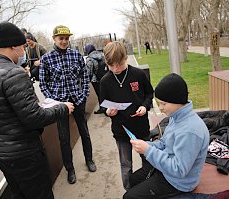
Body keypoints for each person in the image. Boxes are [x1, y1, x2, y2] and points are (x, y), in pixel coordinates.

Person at [0, 21, 74, 199]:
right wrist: (62, 108)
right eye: (23, 47)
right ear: (13, 46)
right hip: (23, 153)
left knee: (18, 193)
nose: (24, 52)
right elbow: (34, 118)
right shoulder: (13, 73)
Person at [123, 73, 210, 199]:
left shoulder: (190, 131)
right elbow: (164, 142)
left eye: (163, 104)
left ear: (177, 101)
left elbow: (179, 170)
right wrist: (148, 144)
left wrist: (148, 150)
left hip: (179, 182)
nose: (160, 108)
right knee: (132, 179)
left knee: (129, 197)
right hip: (167, 170)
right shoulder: (176, 117)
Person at [39, 25, 96, 184]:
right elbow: (43, 84)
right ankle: (70, 169)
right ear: (54, 39)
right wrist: (56, 103)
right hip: (60, 105)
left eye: (66, 38)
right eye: (61, 38)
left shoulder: (76, 55)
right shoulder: (47, 59)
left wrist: (83, 95)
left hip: (78, 100)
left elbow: (85, 77)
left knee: (84, 131)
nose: (64, 41)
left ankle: (89, 160)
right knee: (64, 138)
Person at [100, 41, 154, 190]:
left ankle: (148, 187)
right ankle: (128, 192)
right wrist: (108, 111)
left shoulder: (138, 74)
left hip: (141, 127)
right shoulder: (105, 81)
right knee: (125, 165)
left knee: (148, 160)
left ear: (126, 58)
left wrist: (144, 105)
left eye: (119, 64)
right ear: (107, 63)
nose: (116, 69)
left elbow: (149, 93)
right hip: (121, 130)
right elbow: (103, 104)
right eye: (112, 66)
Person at [85, 44, 107, 114]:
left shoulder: (89, 59)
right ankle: (107, 106)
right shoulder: (102, 55)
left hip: (95, 80)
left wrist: (87, 80)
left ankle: (102, 108)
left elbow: (89, 72)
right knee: (105, 93)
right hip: (104, 77)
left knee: (99, 93)